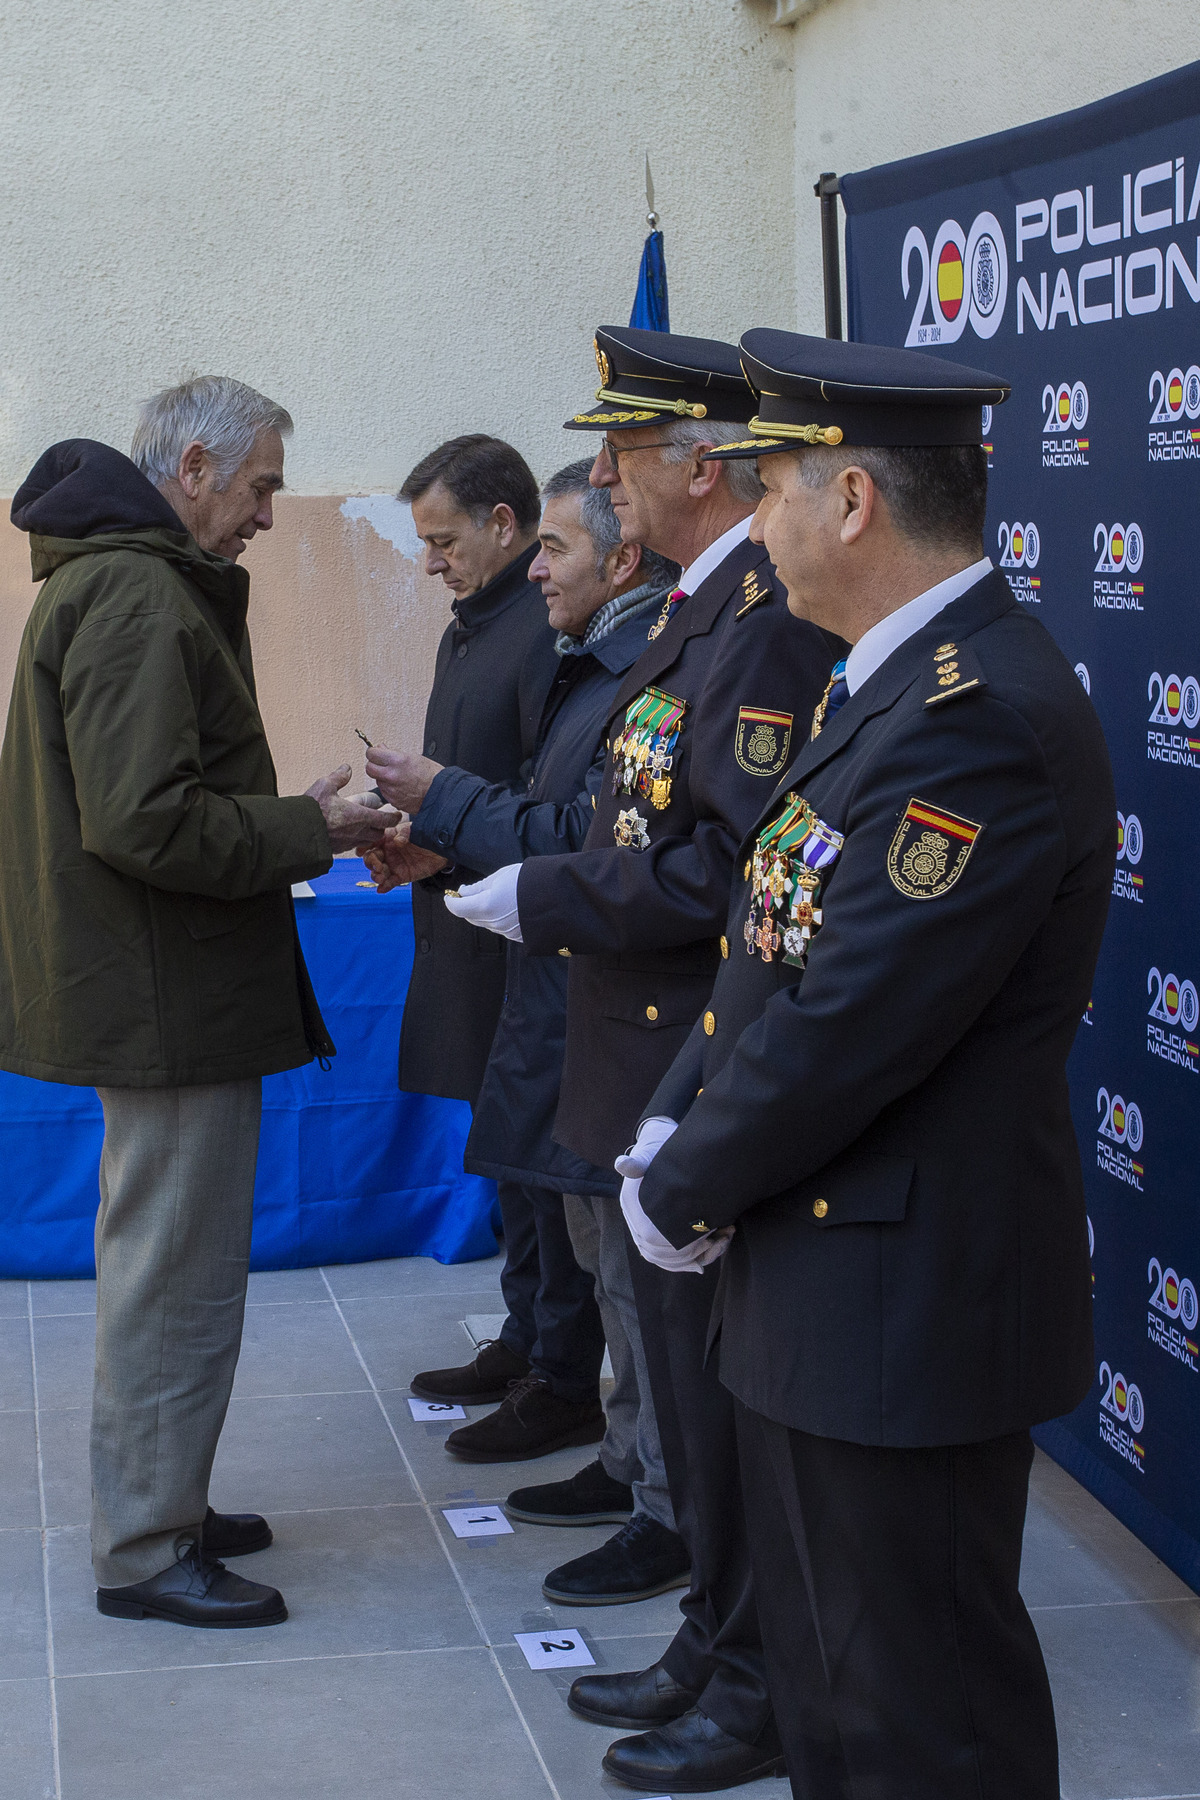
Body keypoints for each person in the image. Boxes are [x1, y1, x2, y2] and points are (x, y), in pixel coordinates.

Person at [623, 329, 1116, 1799]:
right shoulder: (883, 687)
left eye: (772, 484)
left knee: (921, 1720)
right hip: (824, 1285)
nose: (754, 514)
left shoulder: (978, 719)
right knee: (839, 1704)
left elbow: (855, 1025)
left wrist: (684, 1181)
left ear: (852, 503)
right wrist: (670, 1123)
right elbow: (765, 958)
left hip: (905, 1302)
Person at [446, 327, 841, 1792]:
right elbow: (642, 813)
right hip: (639, 1065)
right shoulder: (703, 607)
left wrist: (535, 891)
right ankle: (718, 1645)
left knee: (716, 1426)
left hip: (690, 1056)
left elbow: (714, 873)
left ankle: (746, 1674)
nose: (603, 474)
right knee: (683, 1404)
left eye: (623, 450)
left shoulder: (766, 621)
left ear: (700, 464)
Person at [0, 382, 392, 1629]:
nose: (270, 515)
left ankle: (162, 1498)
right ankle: (147, 1546)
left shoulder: (122, 579)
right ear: (199, 466)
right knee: (172, 1283)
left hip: (163, 987)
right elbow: (143, 821)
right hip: (164, 999)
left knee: (171, 1274)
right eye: (264, 487)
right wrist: (307, 828)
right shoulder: (131, 590)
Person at [365, 468, 688, 1600]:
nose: (538, 569)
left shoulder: (645, 664)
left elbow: (583, 837)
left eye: (554, 548)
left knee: (629, 1277)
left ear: (623, 561)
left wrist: (447, 801)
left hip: (610, 996)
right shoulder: (593, 656)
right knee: (597, 1259)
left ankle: (661, 1496)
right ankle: (626, 1460)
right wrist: (445, 834)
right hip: (564, 990)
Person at [389, 435, 560, 1108]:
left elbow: (554, 798)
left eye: (445, 543)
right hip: (464, 935)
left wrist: (443, 832)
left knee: (531, 1199)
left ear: (502, 522)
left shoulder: (548, 626)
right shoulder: (468, 625)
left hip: (517, 955)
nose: (431, 564)